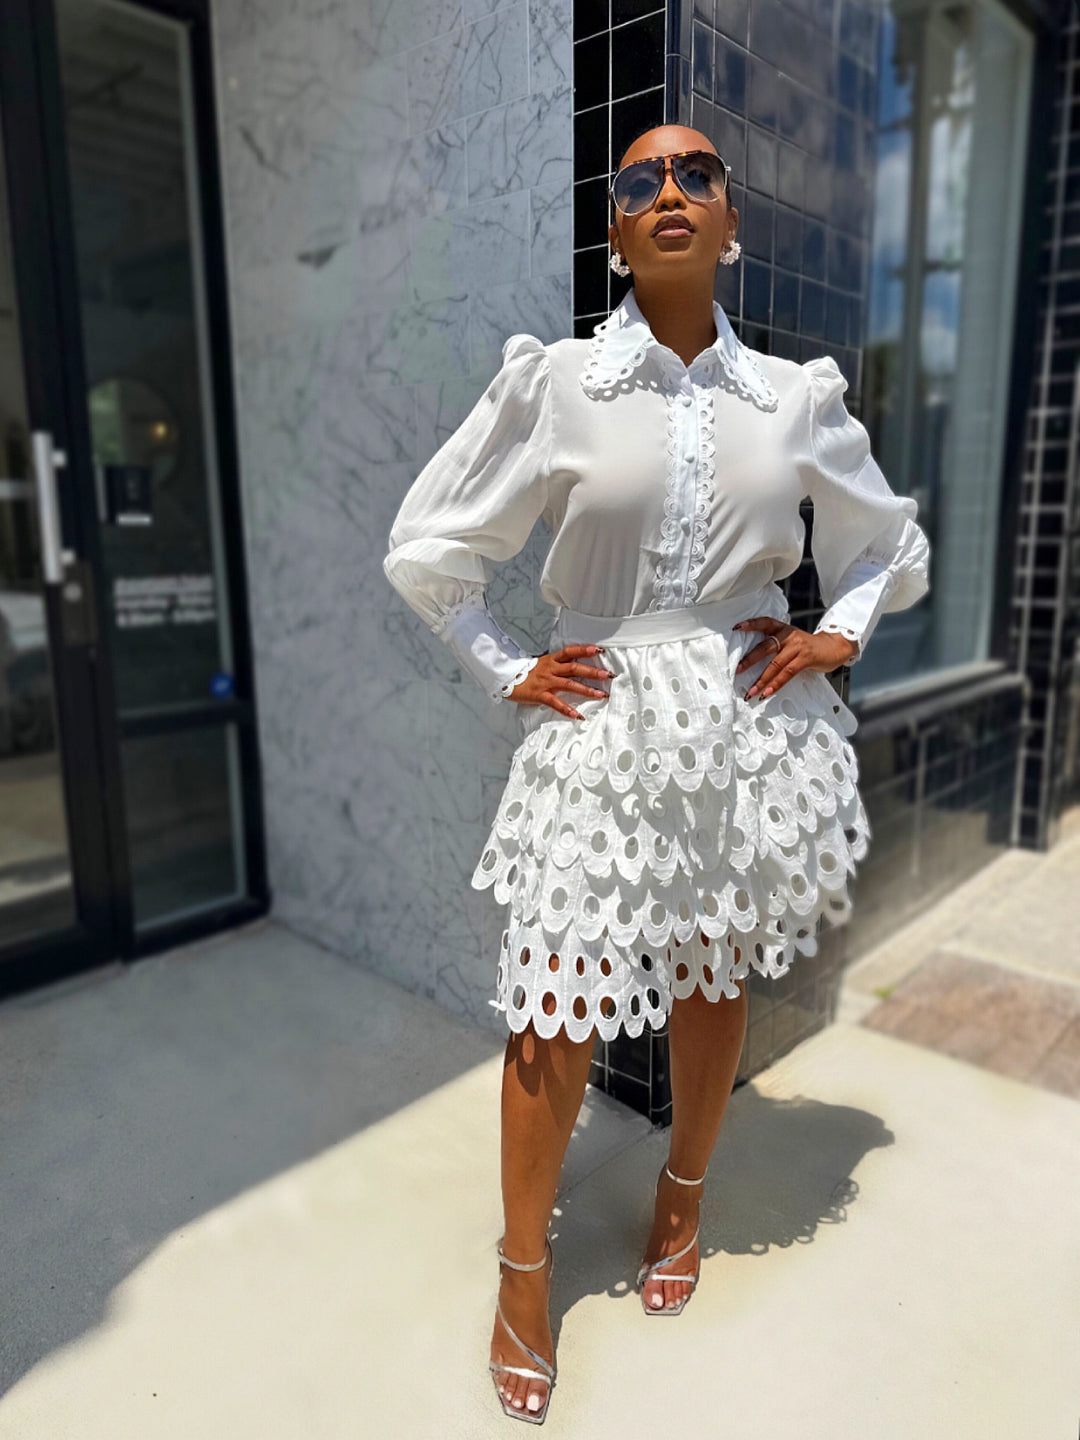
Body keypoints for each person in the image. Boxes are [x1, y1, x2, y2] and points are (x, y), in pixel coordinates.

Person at [382, 124, 930, 1424]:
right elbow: (431, 543)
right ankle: (524, 1271)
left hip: (743, 723)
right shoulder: (558, 384)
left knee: (710, 970)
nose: (669, 190)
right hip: (602, 715)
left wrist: (837, 633)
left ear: (730, 222)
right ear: (618, 231)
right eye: (640, 181)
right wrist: (505, 662)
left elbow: (886, 544)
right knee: (553, 1004)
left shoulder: (794, 398)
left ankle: (682, 1195)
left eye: (696, 175)